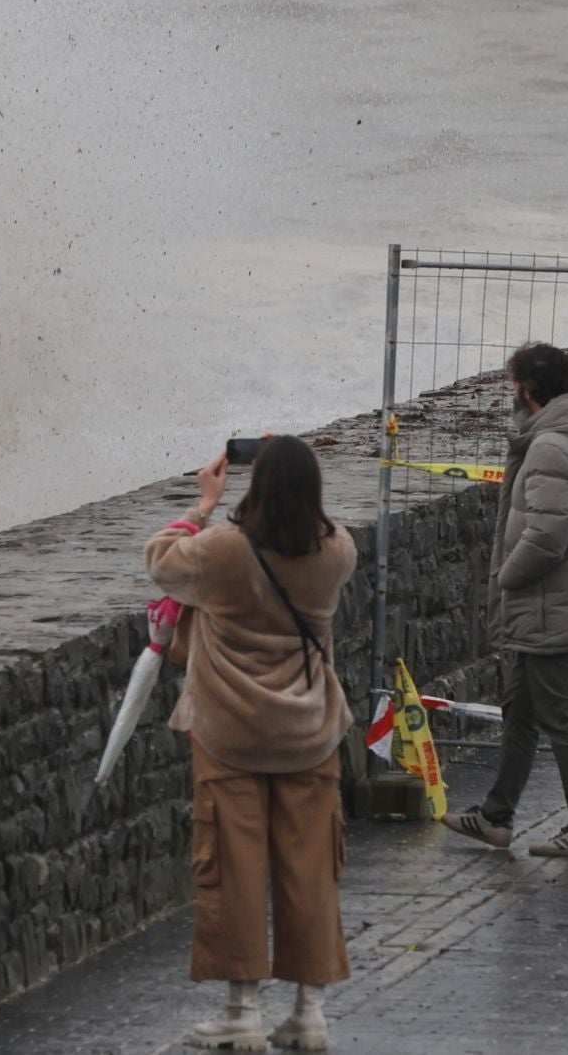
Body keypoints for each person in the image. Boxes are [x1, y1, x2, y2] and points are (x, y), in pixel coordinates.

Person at [146, 435, 358, 1053]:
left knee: (233, 868)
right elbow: (324, 528)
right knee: (310, 868)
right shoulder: (336, 550)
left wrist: (206, 502)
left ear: (256, 487)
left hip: (230, 732)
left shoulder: (223, 552)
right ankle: (309, 1012)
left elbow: (161, 560)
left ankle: (241, 1013)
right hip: (310, 732)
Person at [441, 341, 568, 859]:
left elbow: (546, 538)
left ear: (529, 389)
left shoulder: (549, 447)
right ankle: (496, 817)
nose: (510, 393)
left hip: (550, 603)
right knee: (520, 710)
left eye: (514, 383)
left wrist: (505, 578)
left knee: (562, 714)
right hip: (563, 600)